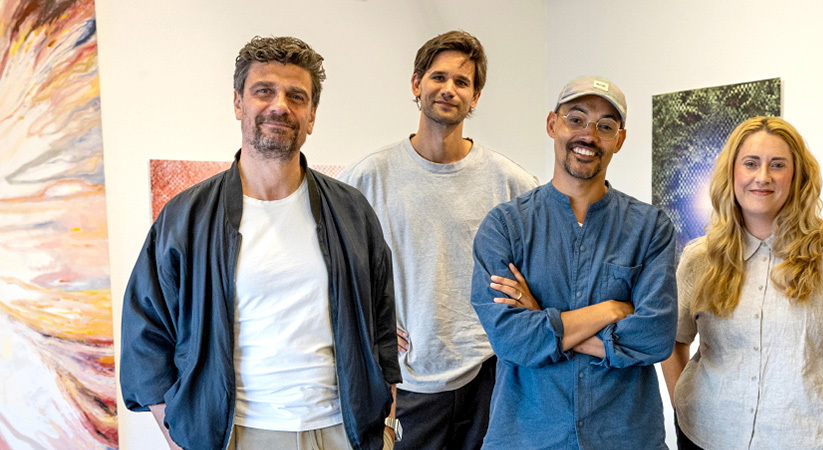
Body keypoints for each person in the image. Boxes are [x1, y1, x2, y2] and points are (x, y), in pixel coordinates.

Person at [120, 36, 401, 450]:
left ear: (312, 115)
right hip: (236, 434)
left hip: (343, 431)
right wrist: (180, 433)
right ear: (238, 103)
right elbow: (145, 333)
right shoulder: (187, 216)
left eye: (296, 96)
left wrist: (389, 424)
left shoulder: (351, 211)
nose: (279, 106)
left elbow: (382, 329)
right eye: (263, 91)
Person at [339, 30, 538, 449]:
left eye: (462, 82)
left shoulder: (512, 183)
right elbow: (332, 271)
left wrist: (531, 304)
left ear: (476, 97)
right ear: (417, 84)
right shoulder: (367, 179)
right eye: (438, 77)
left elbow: (541, 271)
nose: (449, 89)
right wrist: (367, 326)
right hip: (407, 380)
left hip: (490, 371)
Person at [469, 76, 677, 449]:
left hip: (624, 438)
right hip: (527, 437)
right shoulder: (505, 226)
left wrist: (543, 318)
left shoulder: (649, 228)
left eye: (605, 126)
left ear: (620, 139)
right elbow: (512, 340)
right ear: (553, 124)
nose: (589, 135)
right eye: (576, 119)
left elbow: (656, 338)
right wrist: (611, 310)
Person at [661, 117, 823, 450]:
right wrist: (681, 404)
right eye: (751, 164)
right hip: (706, 437)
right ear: (732, 173)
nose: (762, 177)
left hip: (810, 441)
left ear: (796, 175)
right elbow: (673, 342)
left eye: (778, 165)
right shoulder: (700, 257)